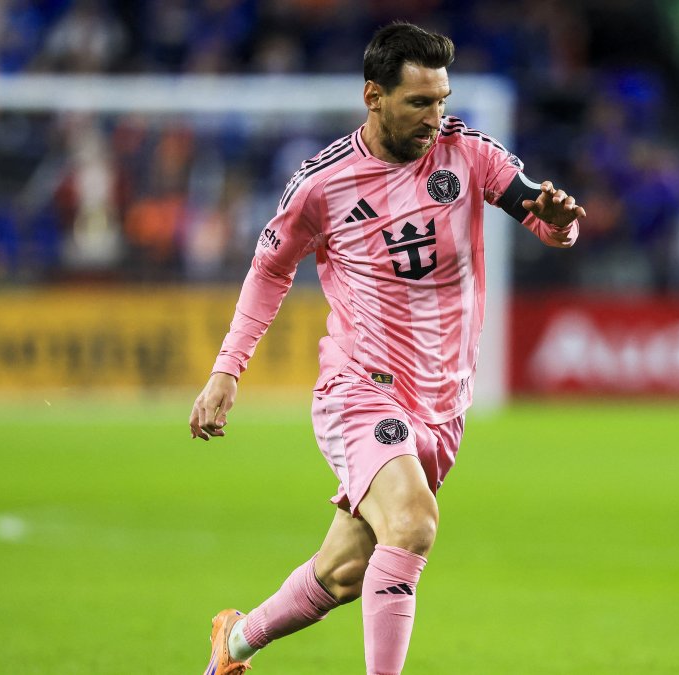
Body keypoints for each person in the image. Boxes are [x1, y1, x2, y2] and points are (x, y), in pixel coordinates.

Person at [189, 22, 584, 674]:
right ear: (374, 96)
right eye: (419, 103)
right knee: (412, 524)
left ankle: (232, 645)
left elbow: (539, 215)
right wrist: (227, 371)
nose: (437, 117)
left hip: (442, 404)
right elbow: (269, 270)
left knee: (343, 574)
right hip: (361, 388)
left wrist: (561, 224)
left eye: (443, 100)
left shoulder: (468, 153)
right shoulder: (323, 184)